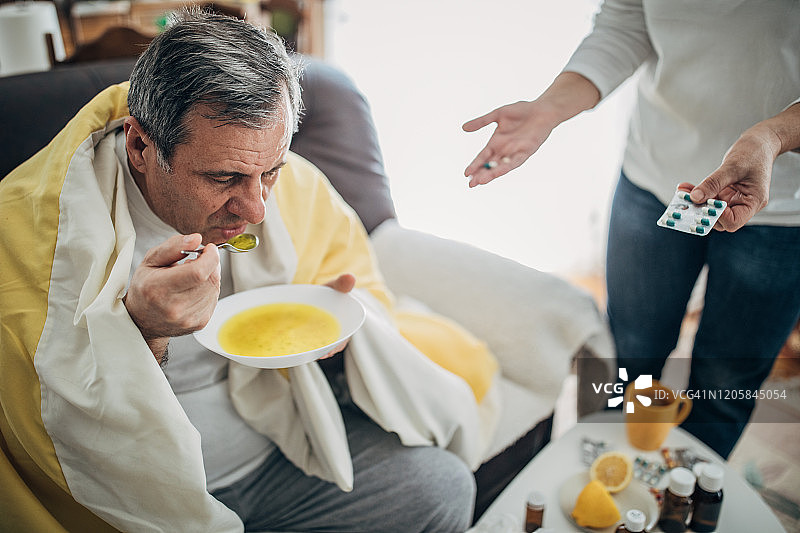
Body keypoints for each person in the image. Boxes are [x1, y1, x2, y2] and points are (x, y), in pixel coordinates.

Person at [0, 10, 501, 532]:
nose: (257, 209)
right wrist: (143, 333)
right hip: (149, 497)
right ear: (141, 146)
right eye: (223, 177)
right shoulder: (25, 236)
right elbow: (60, 431)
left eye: (271, 172)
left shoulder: (296, 188)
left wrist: (336, 324)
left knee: (440, 487)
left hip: (277, 454)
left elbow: (362, 288)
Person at [462, 0, 800, 458]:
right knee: (626, 356)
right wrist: (549, 108)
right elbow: (626, 22)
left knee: (725, 380)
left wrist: (774, 136)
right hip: (651, 173)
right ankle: (601, 464)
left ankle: (684, 493)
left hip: (782, 206)